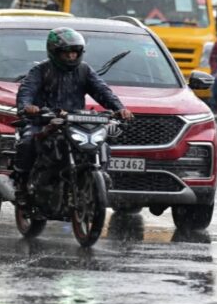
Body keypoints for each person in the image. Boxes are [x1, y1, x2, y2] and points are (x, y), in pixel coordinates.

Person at [14, 27, 134, 195]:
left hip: (76, 123)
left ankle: (99, 175)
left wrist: (119, 109)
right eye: (67, 52)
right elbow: (26, 91)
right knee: (28, 142)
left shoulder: (84, 70)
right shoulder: (40, 70)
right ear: (54, 52)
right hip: (44, 121)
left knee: (102, 145)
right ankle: (23, 185)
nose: (72, 56)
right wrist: (27, 107)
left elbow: (103, 91)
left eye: (75, 52)